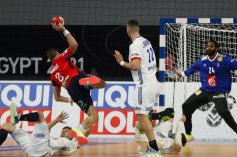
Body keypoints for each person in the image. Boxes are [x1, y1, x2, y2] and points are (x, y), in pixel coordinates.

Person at [175, 39, 237, 146]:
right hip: (205, 91)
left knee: (223, 112)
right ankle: (188, 134)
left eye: (211, 46)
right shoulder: (202, 61)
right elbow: (193, 68)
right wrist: (182, 74)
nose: (208, 48)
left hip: (218, 92)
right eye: (207, 46)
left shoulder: (224, 60)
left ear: (216, 48)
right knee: (186, 106)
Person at [46, 22, 106, 141]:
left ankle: (77, 133)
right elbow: (74, 45)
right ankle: (88, 83)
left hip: (72, 92)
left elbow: (57, 98)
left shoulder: (52, 75)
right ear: (57, 54)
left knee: (94, 117)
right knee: (102, 83)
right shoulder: (60, 58)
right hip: (76, 80)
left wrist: (69, 99)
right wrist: (64, 29)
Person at [114, 19, 161, 156]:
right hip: (153, 82)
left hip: (143, 86)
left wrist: (121, 62)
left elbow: (135, 66)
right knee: (144, 116)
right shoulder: (146, 41)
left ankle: (154, 149)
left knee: (142, 116)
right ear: (138, 29)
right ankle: (153, 146)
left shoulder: (134, 45)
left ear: (128, 30)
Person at [0, 102, 83, 157]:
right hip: (32, 145)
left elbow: (64, 153)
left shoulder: (68, 143)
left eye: (67, 131)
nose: (64, 131)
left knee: (40, 115)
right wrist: (55, 120)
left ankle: (18, 118)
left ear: (71, 136)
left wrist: (75, 148)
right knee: (7, 126)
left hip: (42, 151)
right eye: (63, 130)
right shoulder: (55, 138)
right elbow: (45, 130)